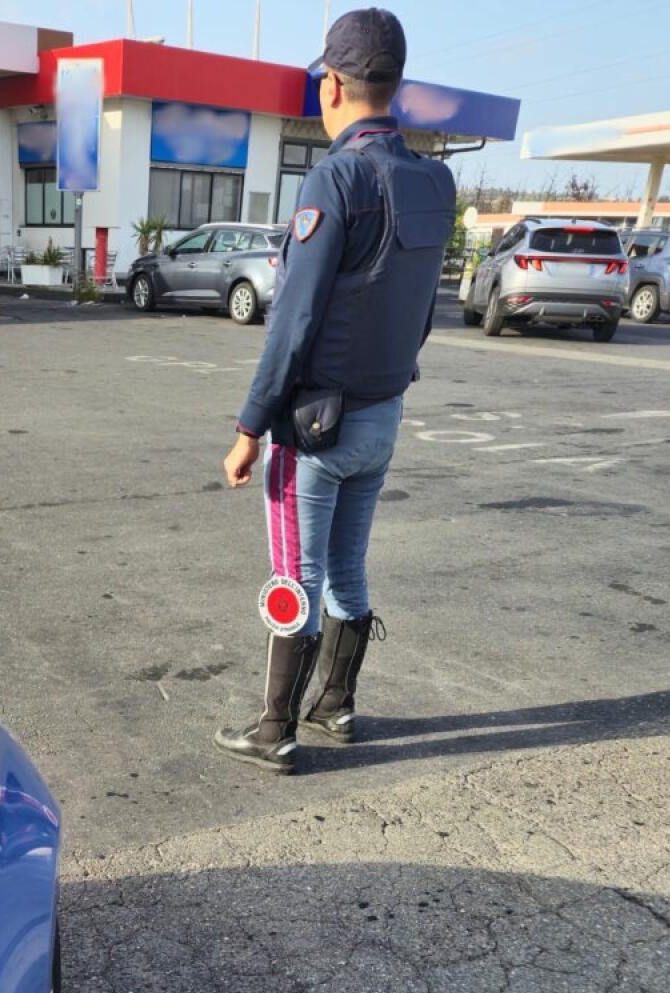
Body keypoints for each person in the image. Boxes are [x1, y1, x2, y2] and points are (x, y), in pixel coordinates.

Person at [214, 7, 455, 771]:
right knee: (347, 568)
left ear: (334, 85)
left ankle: (274, 726)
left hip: (315, 427)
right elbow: (422, 310)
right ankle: (336, 705)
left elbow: (294, 318)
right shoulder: (435, 180)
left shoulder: (337, 176)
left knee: (298, 573)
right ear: (397, 85)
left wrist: (252, 426)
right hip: (383, 416)